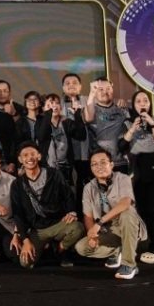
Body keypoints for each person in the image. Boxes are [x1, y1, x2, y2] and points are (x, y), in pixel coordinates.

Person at [75, 148, 148, 279]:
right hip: (107, 230)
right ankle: (118, 250)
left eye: (103, 162)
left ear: (112, 164)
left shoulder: (123, 178)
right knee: (81, 247)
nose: (99, 167)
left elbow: (125, 203)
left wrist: (99, 223)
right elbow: (88, 216)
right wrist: (91, 234)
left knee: (127, 212)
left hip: (126, 225)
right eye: (94, 164)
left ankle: (129, 264)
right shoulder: (88, 188)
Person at [118, 90, 154, 264]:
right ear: (133, 105)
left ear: (149, 104)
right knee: (143, 211)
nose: (142, 103)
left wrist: (152, 124)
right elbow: (121, 146)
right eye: (138, 101)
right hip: (139, 169)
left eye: (145, 100)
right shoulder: (127, 123)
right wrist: (133, 129)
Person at [10, 142, 84, 268]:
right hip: (38, 229)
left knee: (78, 228)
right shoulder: (17, 184)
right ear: (20, 159)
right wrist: (25, 240)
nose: (30, 158)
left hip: (59, 222)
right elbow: (18, 214)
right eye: (25, 155)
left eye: (33, 154)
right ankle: (46, 248)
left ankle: (60, 250)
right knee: (25, 263)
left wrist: (71, 212)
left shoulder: (54, 174)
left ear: (39, 156)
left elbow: (68, 195)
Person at [35, 93, 86, 185]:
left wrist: (77, 114)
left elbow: (81, 136)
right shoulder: (40, 121)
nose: (54, 106)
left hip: (66, 167)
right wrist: (48, 113)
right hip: (47, 167)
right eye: (50, 103)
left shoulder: (66, 122)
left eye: (57, 103)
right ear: (43, 108)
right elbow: (41, 137)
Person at [61, 73, 92, 213]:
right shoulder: (58, 104)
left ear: (80, 86)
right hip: (67, 153)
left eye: (74, 82)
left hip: (86, 152)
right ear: (63, 87)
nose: (71, 85)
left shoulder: (88, 101)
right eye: (67, 83)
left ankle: (85, 215)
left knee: (85, 186)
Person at [84, 77, 130, 173]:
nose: (105, 92)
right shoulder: (91, 109)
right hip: (101, 163)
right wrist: (91, 93)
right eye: (100, 89)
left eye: (108, 88)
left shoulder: (122, 108)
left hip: (122, 162)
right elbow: (89, 118)